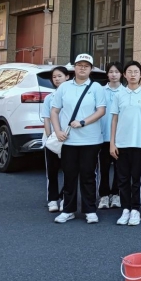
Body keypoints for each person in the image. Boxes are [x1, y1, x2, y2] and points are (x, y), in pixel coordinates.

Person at [51, 54, 107, 224]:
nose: (82, 68)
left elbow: (101, 111)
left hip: (91, 140)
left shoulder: (96, 87)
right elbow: (54, 111)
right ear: (74, 68)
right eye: (79, 65)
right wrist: (58, 131)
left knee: (88, 175)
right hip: (68, 140)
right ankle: (68, 209)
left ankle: (90, 210)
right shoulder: (64, 87)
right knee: (69, 175)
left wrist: (83, 122)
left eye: (86, 66)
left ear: (91, 69)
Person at [109, 61, 141, 226]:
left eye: (136, 71)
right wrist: (112, 143)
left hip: (139, 143)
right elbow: (114, 120)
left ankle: (135, 209)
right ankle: (125, 209)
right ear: (124, 75)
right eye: (129, 71)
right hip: (121, 143)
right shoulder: (119, 94)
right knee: (122, 179)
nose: (133, 74)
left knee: (137, 179)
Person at [42, 66, 69, 213]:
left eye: (60, 76)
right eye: (54, 77)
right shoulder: (49, 98)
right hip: (52, 140)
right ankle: (53, 199)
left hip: (69, 139)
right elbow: (46, 119)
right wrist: (51, 136)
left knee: (68, 171)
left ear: (67, 77)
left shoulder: (72, 97)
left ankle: (65, 198)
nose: (57, 79)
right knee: (51, 172)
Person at [98, 62, 125, 210]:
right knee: (103, 168)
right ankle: (103, 195)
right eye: (111, 71)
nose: (114, 74)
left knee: (119, 168)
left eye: (117, 71)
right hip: (102, 137)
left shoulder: (125, 92)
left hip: (120, 138)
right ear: (107, 74)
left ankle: (116, 194)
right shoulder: (100, 91)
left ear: (122, 74)